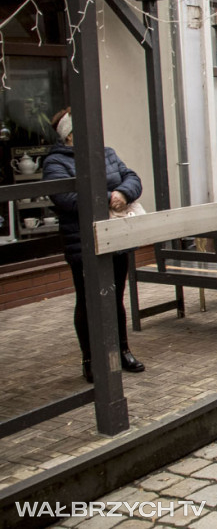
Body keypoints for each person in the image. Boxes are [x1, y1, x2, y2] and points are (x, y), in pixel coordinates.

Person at [43, 108, 145, 383]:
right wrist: (107, 198)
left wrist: (123, 193)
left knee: (115, 297)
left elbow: (132, 177)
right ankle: (90, 359)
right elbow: (65, 197)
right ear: (70, 135)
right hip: (84, 242)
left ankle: (122, 350)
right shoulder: (55, 162)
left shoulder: (107, 152)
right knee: (88, 302)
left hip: (116, 238)